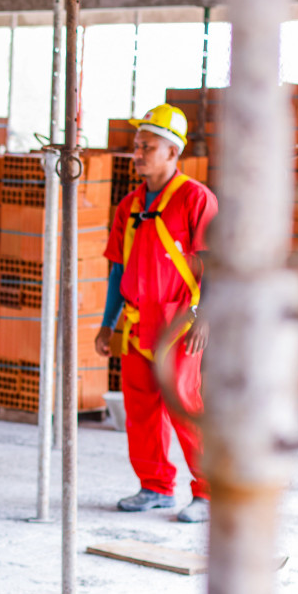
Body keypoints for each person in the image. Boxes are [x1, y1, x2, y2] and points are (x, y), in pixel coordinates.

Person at [94, 104, 218, 524]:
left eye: (148, 146)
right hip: (134, 322)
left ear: (173, 151)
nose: (138, 153)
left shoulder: (195, 199)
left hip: (181, 321)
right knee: (141, 408)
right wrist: (106, 324)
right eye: (137, 146)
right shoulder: (128, 206)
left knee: (184, 403)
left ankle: (208, 491)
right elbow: (117, 270)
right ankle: (155, 487)